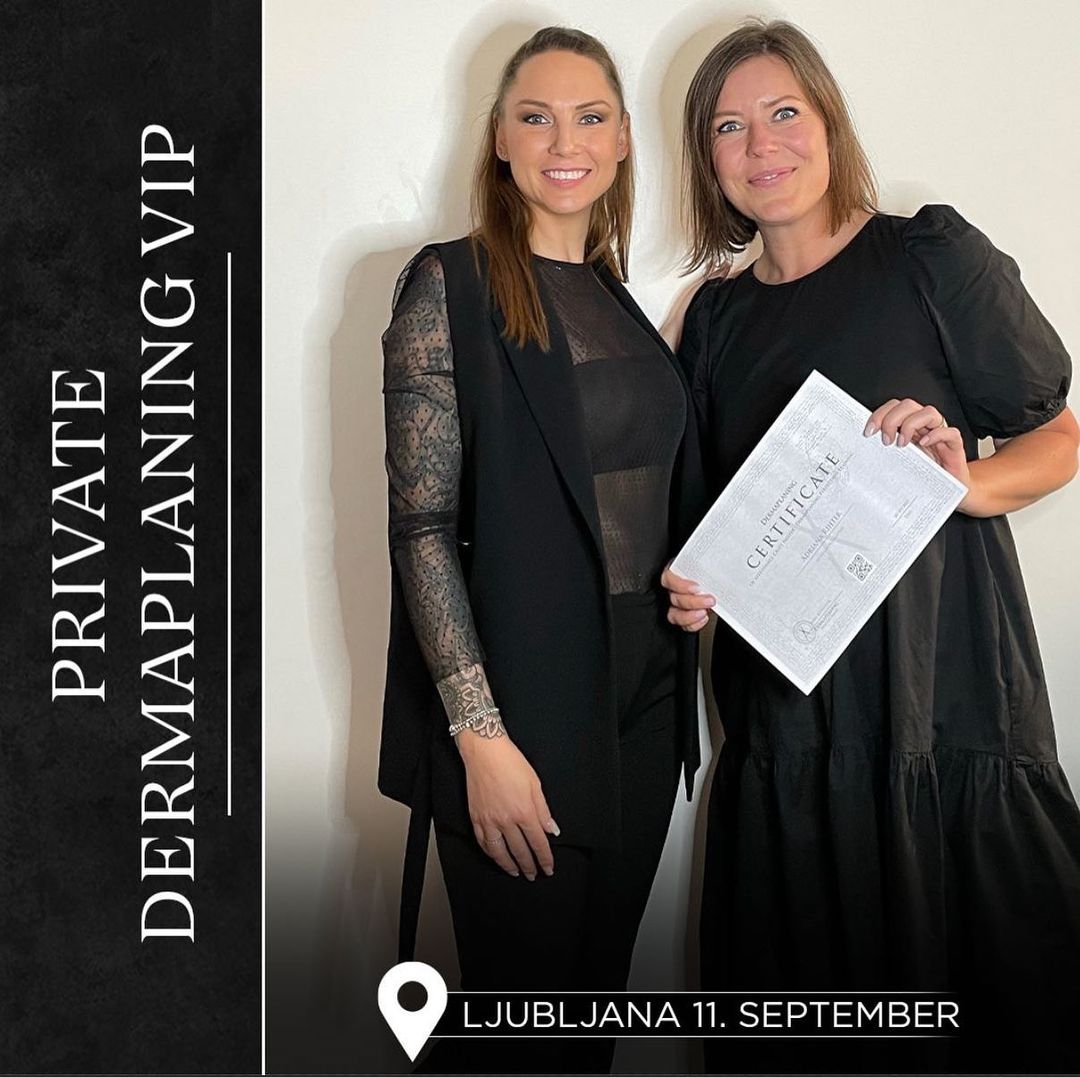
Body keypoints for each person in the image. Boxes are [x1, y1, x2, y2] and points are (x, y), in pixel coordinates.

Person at [664, 19, 1080, 1074]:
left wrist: (965, 482)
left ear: (830, 123)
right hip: (788, 728)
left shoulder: (928, 256)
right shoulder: (711, 320)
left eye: (784, 112)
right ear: (707, 158)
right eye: (729, 127)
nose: (762, 145)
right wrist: (691, 590)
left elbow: (1060, 437)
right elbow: (706, 527)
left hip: (947, 699)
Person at [379, 26, 702, 1074]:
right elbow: (422, 528)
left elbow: (639, 495)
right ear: (500, 139)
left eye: (590, 116)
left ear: (622, 140)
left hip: (647, 701)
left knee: (585, 1030)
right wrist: (480, 737)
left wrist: (693, 583)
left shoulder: (618, 299)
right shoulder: (451, 285)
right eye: (537, 116)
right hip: (522, 707)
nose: (566, 141)